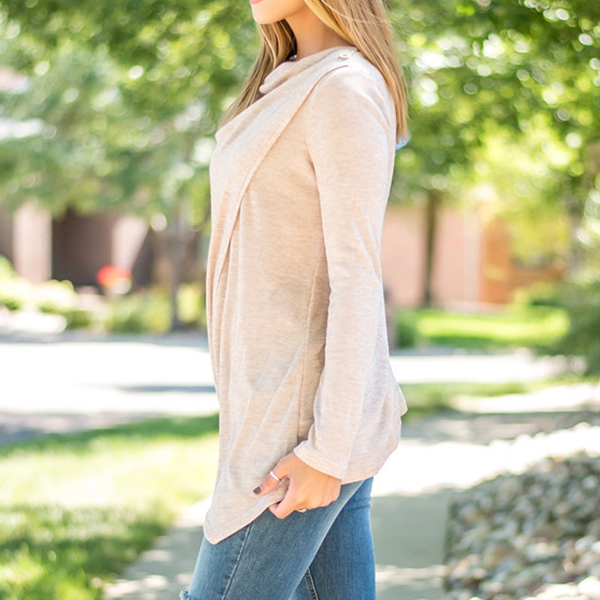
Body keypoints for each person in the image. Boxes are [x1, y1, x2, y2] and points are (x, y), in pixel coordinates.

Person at [181, 0, 409, 598]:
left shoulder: (344, 89)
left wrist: (326, 453)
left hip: (298, 433)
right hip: (276, 414)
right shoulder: (287, 83)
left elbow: (356, 280)